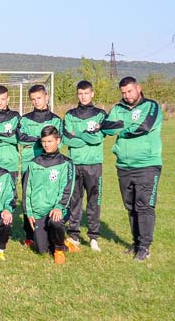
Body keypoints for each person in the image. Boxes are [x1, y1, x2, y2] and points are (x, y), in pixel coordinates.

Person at [102, 76, 163, 261]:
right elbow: (106, 127)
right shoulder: (118, 108)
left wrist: (121, 127)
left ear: (138, 88)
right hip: (123, 165)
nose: (127, 95)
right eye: (123, 92)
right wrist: (124, 125)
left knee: (144, 205)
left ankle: (145, 247)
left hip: (147, 165)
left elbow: (143, 127)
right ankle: (136, 243)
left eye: (130, 91)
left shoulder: (151, 106)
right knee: (130, 207)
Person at [62, 80, 107, 252]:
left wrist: (79, 134)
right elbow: (67, 139)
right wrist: (87, 135)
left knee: (94, 201)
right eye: (80, 93)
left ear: (92, 93)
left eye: (86, 93)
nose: (83, 96)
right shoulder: (70, 115)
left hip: (93, 164)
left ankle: (94, 237)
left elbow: (98, 138)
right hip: (75, 163)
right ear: (77, 94)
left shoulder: (100, 114)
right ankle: (74, 235)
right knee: (75, 201)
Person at [17, 84, 62, 247]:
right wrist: (41, 138)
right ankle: (29, 235)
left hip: (51, 166)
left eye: (39, 98)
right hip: (31, 164)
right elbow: (21, 138)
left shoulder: (56, 119)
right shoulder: (25, 119)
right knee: (28, 197)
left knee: (48, 196)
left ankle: (51, 229)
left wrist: (34, 138)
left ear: (46, 97)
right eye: (33, 99)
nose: (36, 102)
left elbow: (58, 141)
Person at [23, 126, 74, 264]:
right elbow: (27, 189)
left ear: (58, 141)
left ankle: (59, 249)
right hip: (39, 211)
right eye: (44, 141)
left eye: (50, 141)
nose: (46, 144)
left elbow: (68, 188)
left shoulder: (66, 163)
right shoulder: (34, 163)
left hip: (56, 209)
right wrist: (29, 212)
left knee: (55, 221)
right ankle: (64, 242)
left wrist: (59, 206)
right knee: (41, 250)